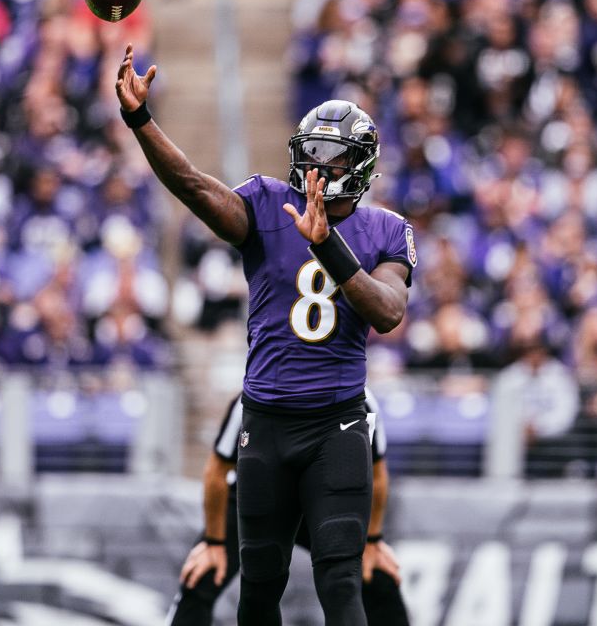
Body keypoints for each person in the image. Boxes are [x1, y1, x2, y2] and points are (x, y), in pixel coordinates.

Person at [116, 45, 416, 626]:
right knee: (258, 588)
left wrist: (326, 241)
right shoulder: (266, 203)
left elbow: (386, 311)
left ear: (359, 165)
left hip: (338, 424)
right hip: (267, 422)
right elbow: (197, 189)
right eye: (310, 159)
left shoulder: (387, 230)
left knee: (340, 582)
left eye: (330, 162)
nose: (315, 174)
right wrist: (141, 122)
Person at [167, 390, 409, 626]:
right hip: (260, 496)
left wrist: (373, 539)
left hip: (324, 497)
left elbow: (376, 472)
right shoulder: (253, 396)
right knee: (204, 575)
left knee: (366, 576)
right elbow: (217, 471)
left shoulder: (358, 397)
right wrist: (213, 542)